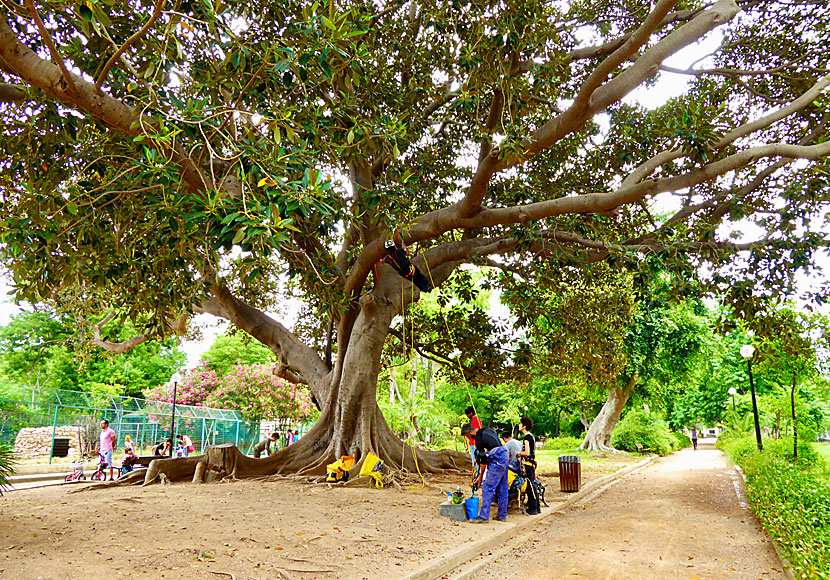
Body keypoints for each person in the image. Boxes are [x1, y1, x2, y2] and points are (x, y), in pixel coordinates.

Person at [460, 423, 508, 524]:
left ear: (471, 432)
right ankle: (502, 515)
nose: (469, 439)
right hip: (504, 456)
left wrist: (480, 477)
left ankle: (483, 516)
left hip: (497, 460)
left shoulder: (479, 439)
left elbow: (483, 461)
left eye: (468, 437)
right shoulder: (487, 430)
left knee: (487, 487)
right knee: (502, 488)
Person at [517, 417, 541, 515]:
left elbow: (527, 452)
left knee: (530, 485)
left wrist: (519, 452)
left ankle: (533, 508)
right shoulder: (531, 436)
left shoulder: (527, 438)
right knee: (532, 484)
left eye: (520, 424)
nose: (519, 425)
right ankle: (537, 507)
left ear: (524, 426)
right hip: (532, 463)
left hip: (528, 464)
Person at [464, 406, 483, 475]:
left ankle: (477, 475)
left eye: (468, 414)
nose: (467, 416)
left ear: (471, 413)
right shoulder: (477, 420)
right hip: (475, 443)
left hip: (474, 443)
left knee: (475, 460)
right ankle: (477, 474)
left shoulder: (475, 421)